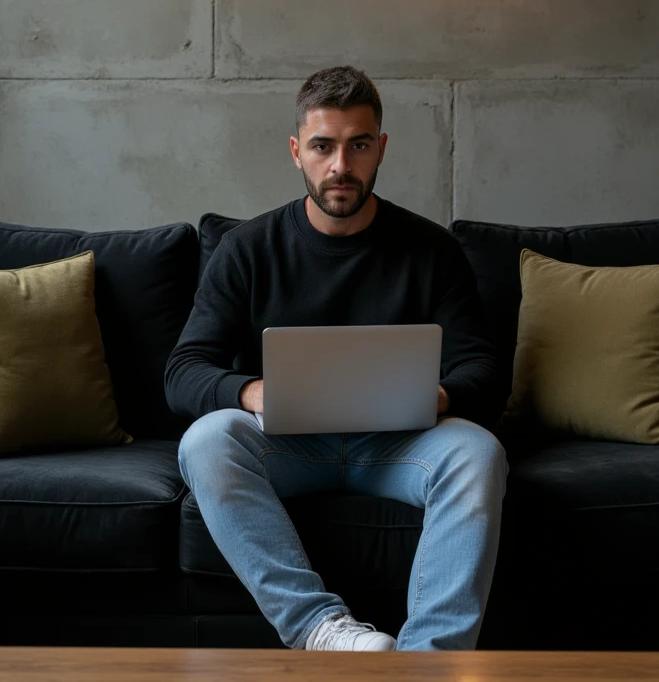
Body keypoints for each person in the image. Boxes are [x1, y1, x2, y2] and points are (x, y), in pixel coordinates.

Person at [164, 65, 508, 653]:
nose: (340, 167)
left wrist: (438, 396)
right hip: (288, 447)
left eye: (358, 146)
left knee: (479, 452)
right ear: (297, 151)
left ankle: (428, 662)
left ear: (381, 150)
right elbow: (183, 371)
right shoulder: (246, 248)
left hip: (397, 446)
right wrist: (254, 393)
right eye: (323, 146)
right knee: (206, 439)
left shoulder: (431, 250)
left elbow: (484, 369)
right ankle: (319, 628)